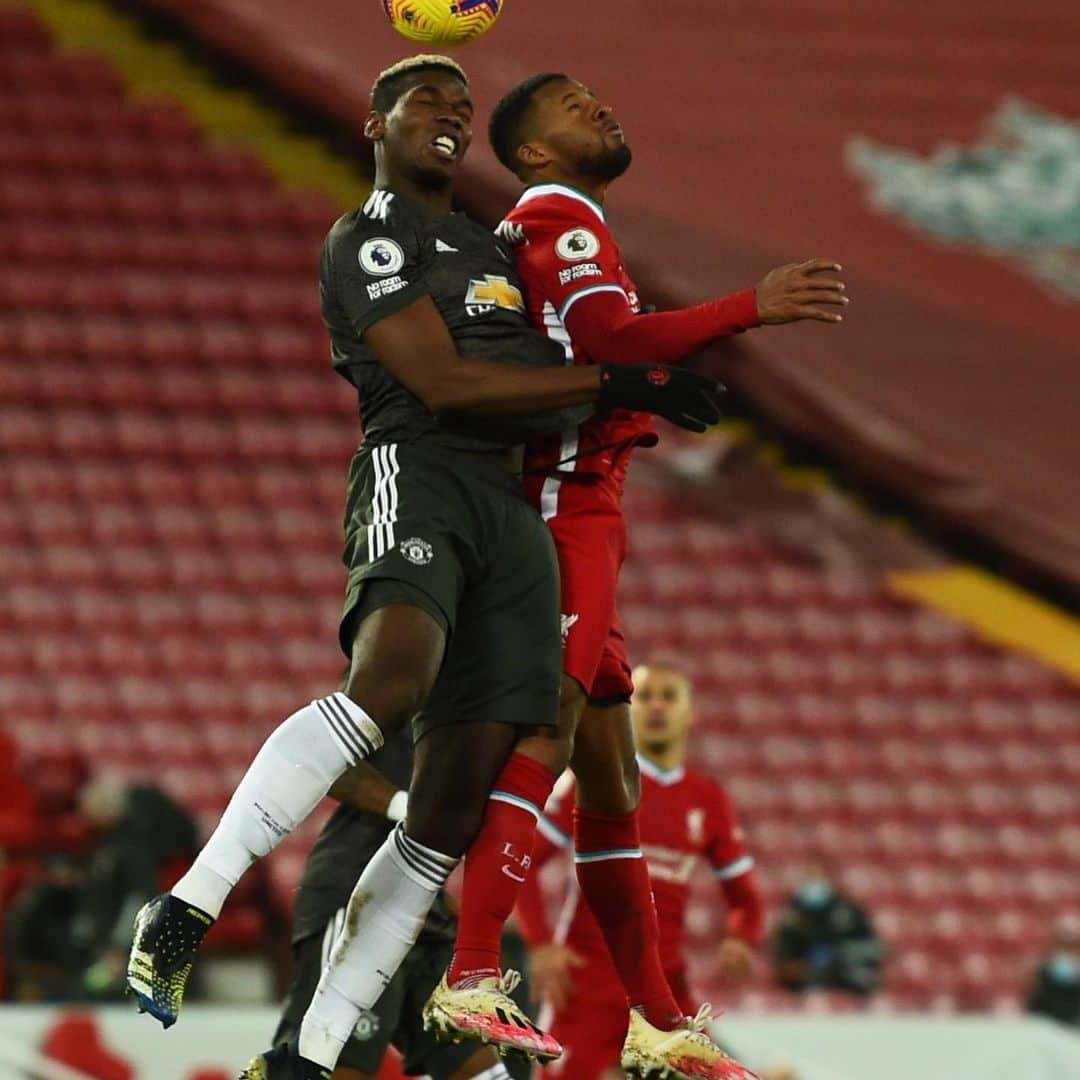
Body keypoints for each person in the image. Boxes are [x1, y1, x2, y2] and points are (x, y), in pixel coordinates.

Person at [124, 54, 721, 1078]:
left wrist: (623, 374)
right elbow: (442, 380)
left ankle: (314, 1049)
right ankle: (190, 901)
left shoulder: (493, 248)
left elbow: (561, 382)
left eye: (459, 104)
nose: (447, 116)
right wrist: (620, 375)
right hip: (419, 469)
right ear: (375, 123)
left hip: (512, 509)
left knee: (449, 805)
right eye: (422, 104)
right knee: (388, 680)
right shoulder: (370, 238)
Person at [429, 72, 846, 1079]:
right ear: (533, 151)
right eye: (573, 103)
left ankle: (658, 1017)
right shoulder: (561, 218)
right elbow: (611, 343)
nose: (603, 106)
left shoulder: (575, 224)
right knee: (550, 730)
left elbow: (610, 347)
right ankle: (472, 971)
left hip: (594, 504)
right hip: (559, 505)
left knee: (608, 775)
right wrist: (751, 307)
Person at [515, 662, 764, 1079]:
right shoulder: (594, 780)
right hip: (589, 982)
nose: (656, 707)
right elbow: (524, 860)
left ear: (690, 713)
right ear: (628, 709)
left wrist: (742, 937)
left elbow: (745, 897)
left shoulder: (708, 798)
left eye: (669, 697)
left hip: (665, 983)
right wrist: (539, 944)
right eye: (644, 696)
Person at [272, 731, 512, 1080]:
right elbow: (324, 756)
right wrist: (406, 808)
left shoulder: (485, 711)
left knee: (479, 1067)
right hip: (358, 896)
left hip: (425, 906)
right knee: (334, 1061)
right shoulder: (409, 682)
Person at [773, 865, 883, 997]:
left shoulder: (848, 911)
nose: (814, 882)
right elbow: (785, 957)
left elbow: (869, 945)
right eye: (810, 877)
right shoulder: (793, 914)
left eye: (818, 877)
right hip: (806, 985)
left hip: (845, 980)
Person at [1026, 918, 1080, 1027]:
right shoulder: (1044, 971)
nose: (1067, 950)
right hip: (1048, 1026)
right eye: (1064, 944)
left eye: (1072, 945)